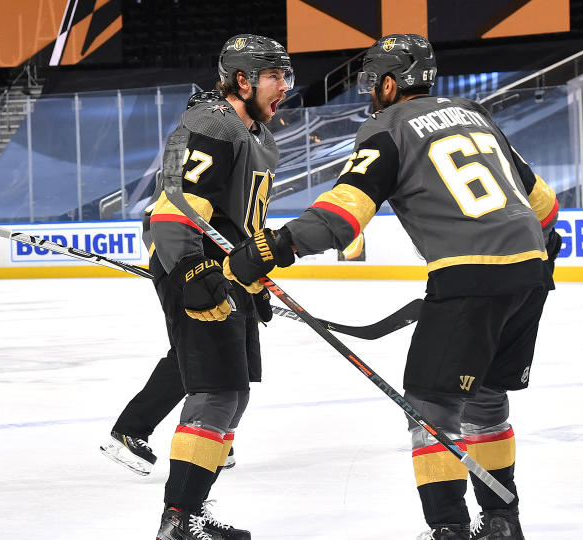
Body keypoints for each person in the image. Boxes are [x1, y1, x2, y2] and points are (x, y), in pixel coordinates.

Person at [221, 33, 560, 540]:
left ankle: (448, 529)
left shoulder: (389, 128)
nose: (368, 92)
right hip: (531, 270)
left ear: (388, 82)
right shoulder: (474, 114)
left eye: (371, 81)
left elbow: (343, 215)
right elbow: (546, 208)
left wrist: (272, 247)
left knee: (431, 405)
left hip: (470, 274)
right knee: (486, 399)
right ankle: (503, 522)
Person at [143, 34, 291, 540]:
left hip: (227, 272)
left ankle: (190, 513)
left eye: (286, 75)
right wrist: (188, 270)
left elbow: (237, 221)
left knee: (233, 395)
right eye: (273, 76)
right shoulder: (212, 124)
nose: (284, 87)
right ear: (242, 80)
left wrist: (253, 278)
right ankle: (178, 523)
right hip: (196, 270)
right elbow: (172, 211)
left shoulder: (257, 135)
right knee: (214, 392)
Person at [99, 89, 240, 478]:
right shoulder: (197, 139)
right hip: (186, 260)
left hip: (194, 259)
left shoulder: (188, 141)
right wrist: (176, 265)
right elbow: (170, 219)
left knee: (209, 349)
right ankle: (131, 430)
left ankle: (214, 433)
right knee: (193, 350)